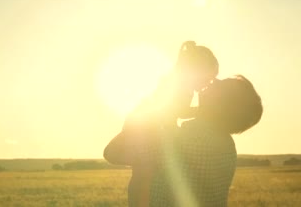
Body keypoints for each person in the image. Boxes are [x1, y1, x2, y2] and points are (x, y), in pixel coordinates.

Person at [104, 42, 263, 206]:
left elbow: (115, 151)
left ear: (226, 104)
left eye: (221, 85)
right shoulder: (225, 146)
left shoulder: (195, 138)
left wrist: (171, 84)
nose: (213, 81)